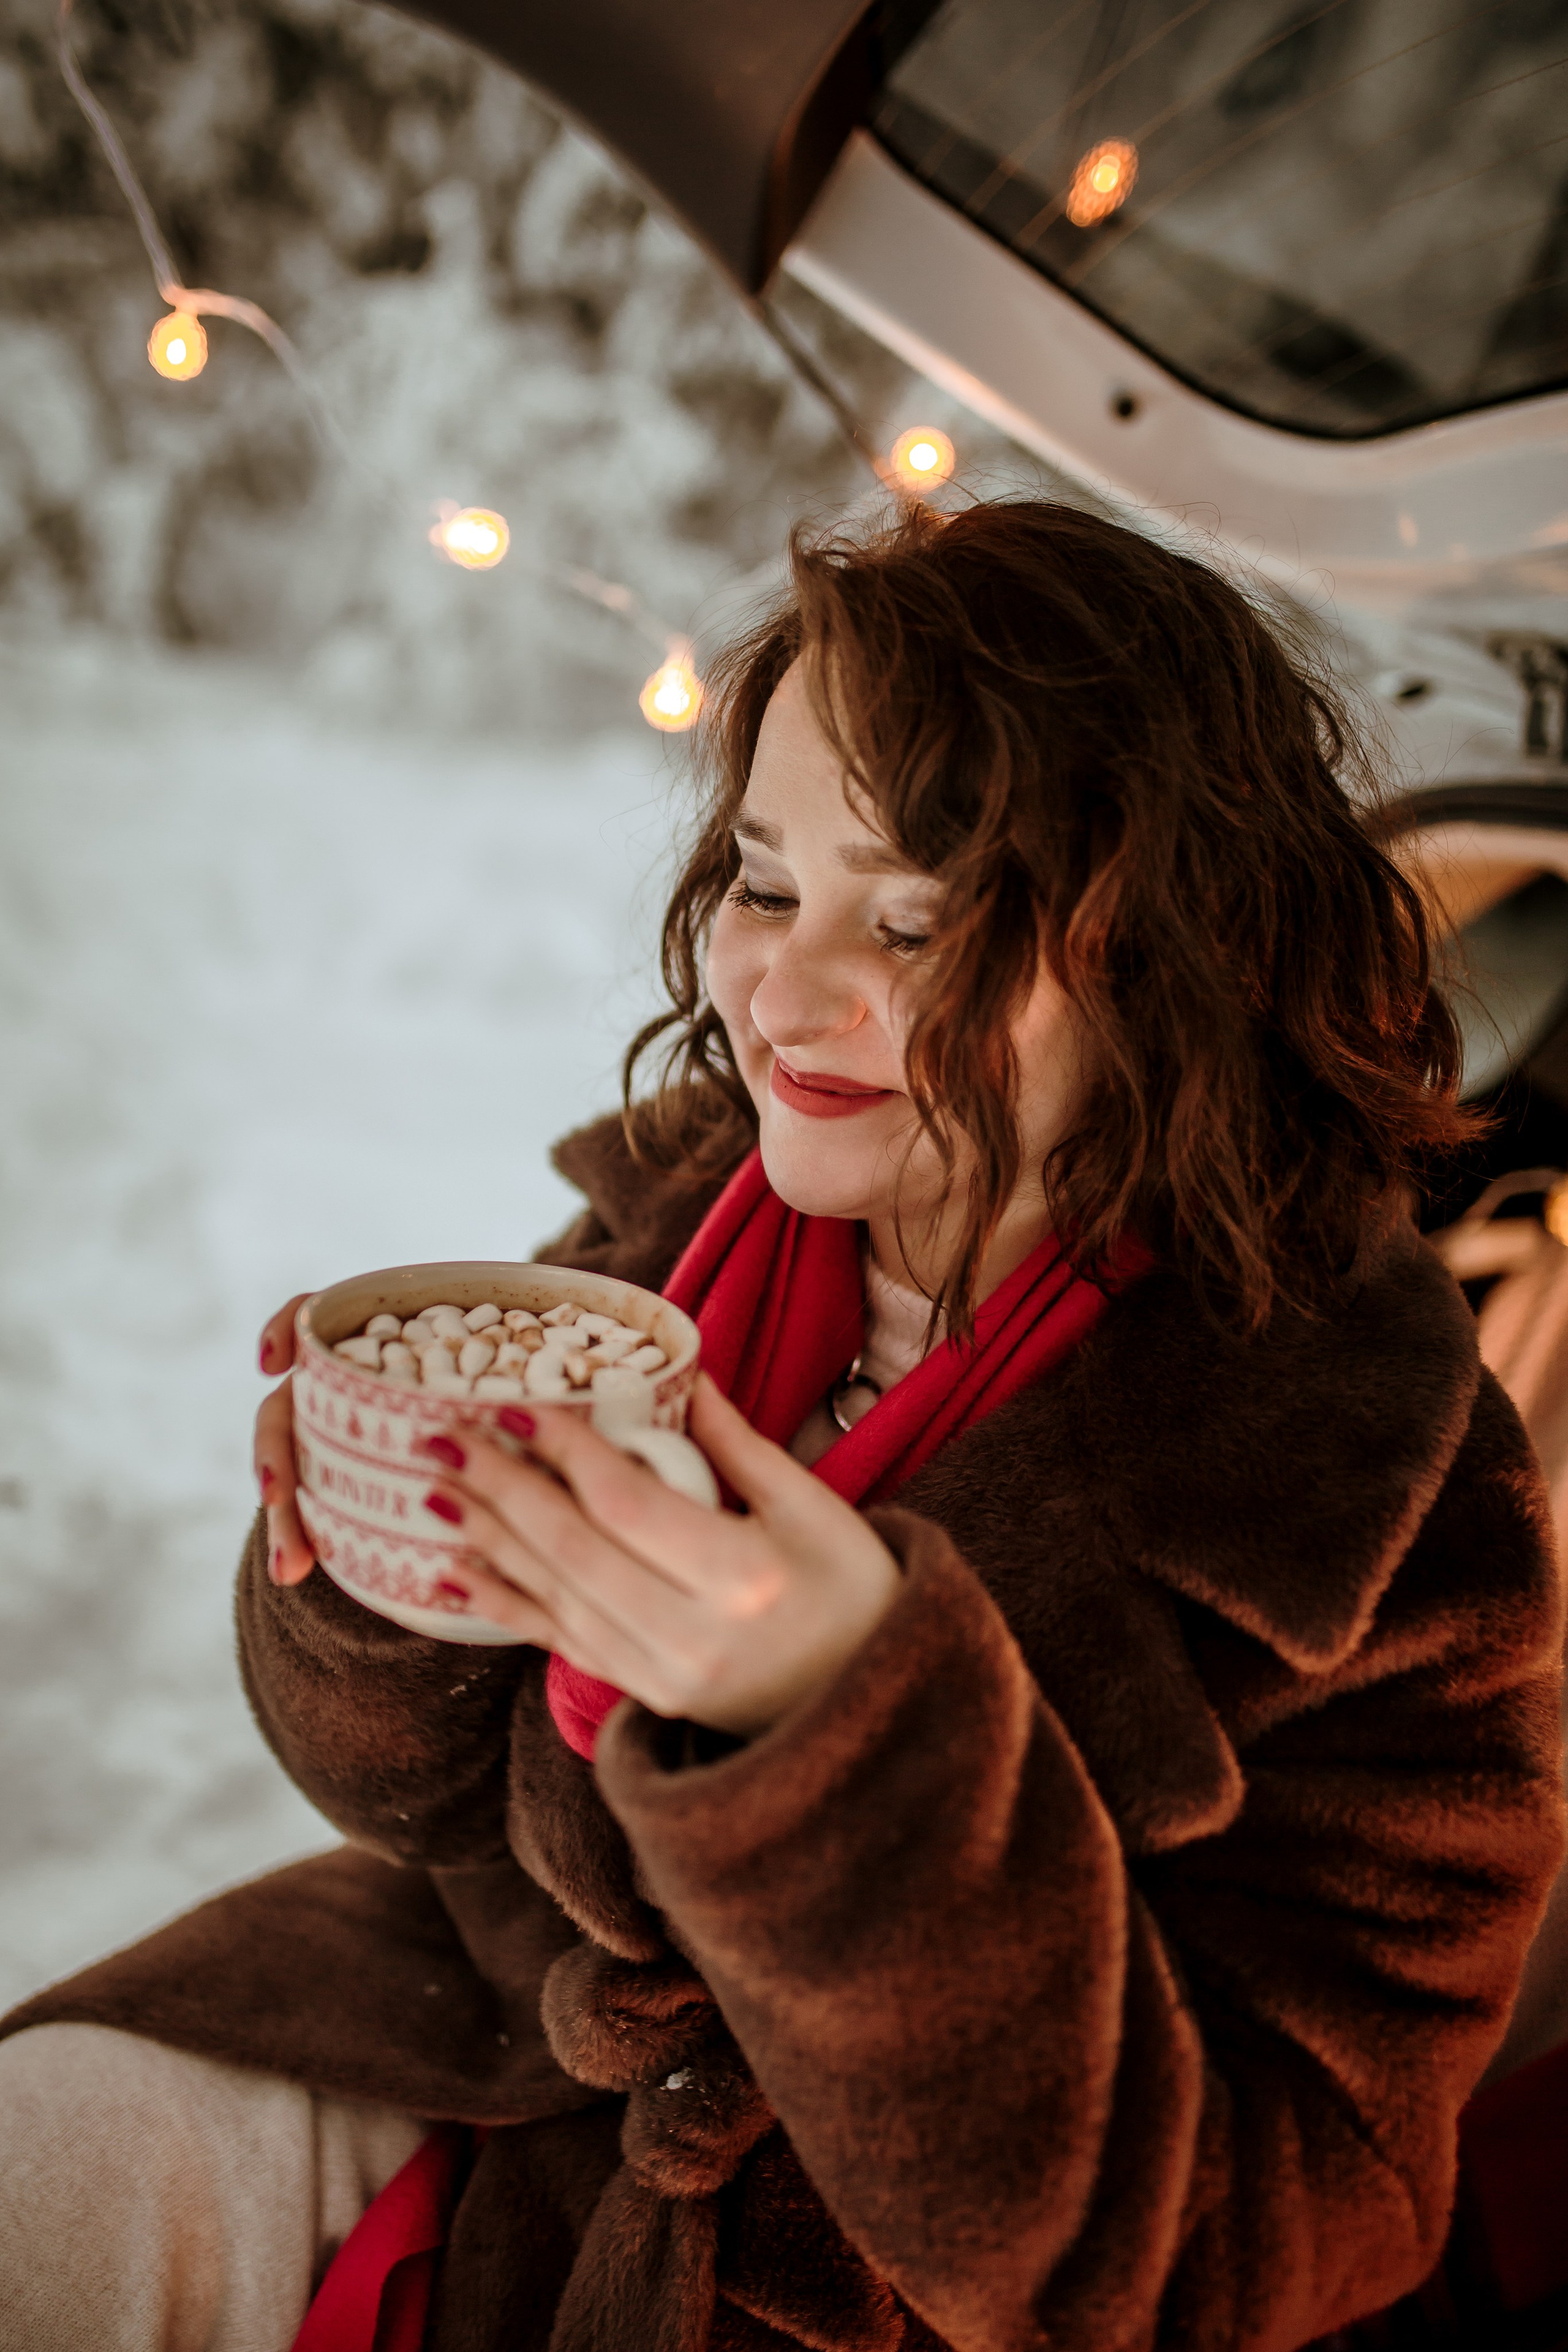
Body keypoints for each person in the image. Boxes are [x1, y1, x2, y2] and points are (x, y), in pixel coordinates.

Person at [1, 497, 1562, 2352]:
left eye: (914, 921)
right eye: (761, 884)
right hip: (502, 2049)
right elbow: (422, 1801)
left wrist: (841, 1739)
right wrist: (377, 1566)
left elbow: (1278, 2229)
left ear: (1173, 956)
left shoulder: (1379, 1493)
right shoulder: (669, 1239)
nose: (787, 995)